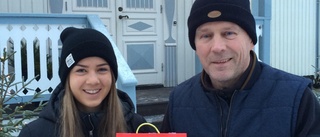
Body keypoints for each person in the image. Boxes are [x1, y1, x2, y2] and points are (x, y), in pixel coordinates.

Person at [161, 0, 320, 136]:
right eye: (206, 36)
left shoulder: (297, 99)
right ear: (195, 46)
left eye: (229, 33)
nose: (217, 47)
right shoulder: (179, 101)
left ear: (251, 40)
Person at [18, 27, 149, 137]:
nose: (93, 80)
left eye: (102, 69)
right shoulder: (35, 133)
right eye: (81, 70)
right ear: (67, 78)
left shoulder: (137, 127)